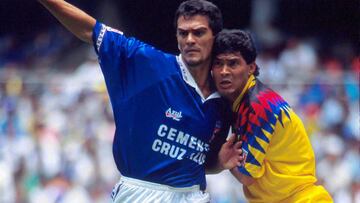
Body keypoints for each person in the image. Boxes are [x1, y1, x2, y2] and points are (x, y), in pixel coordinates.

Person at [37, 0, 242, 202]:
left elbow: (200, 163)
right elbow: (90, 30)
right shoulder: (147, 63)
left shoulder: (223, 99)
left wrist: (219, 163)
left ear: (215, 36)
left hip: (193, 194)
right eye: (183, 33)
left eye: (198, 32)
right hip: (140, 194)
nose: (189, 39)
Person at [211, 29, 333, 202]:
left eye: (233, 64)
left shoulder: (258, 106)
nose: (224, 71)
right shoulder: (240, 102)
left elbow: (246, 176)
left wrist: (222, 160)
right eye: (218, 63)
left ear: (251, 68)